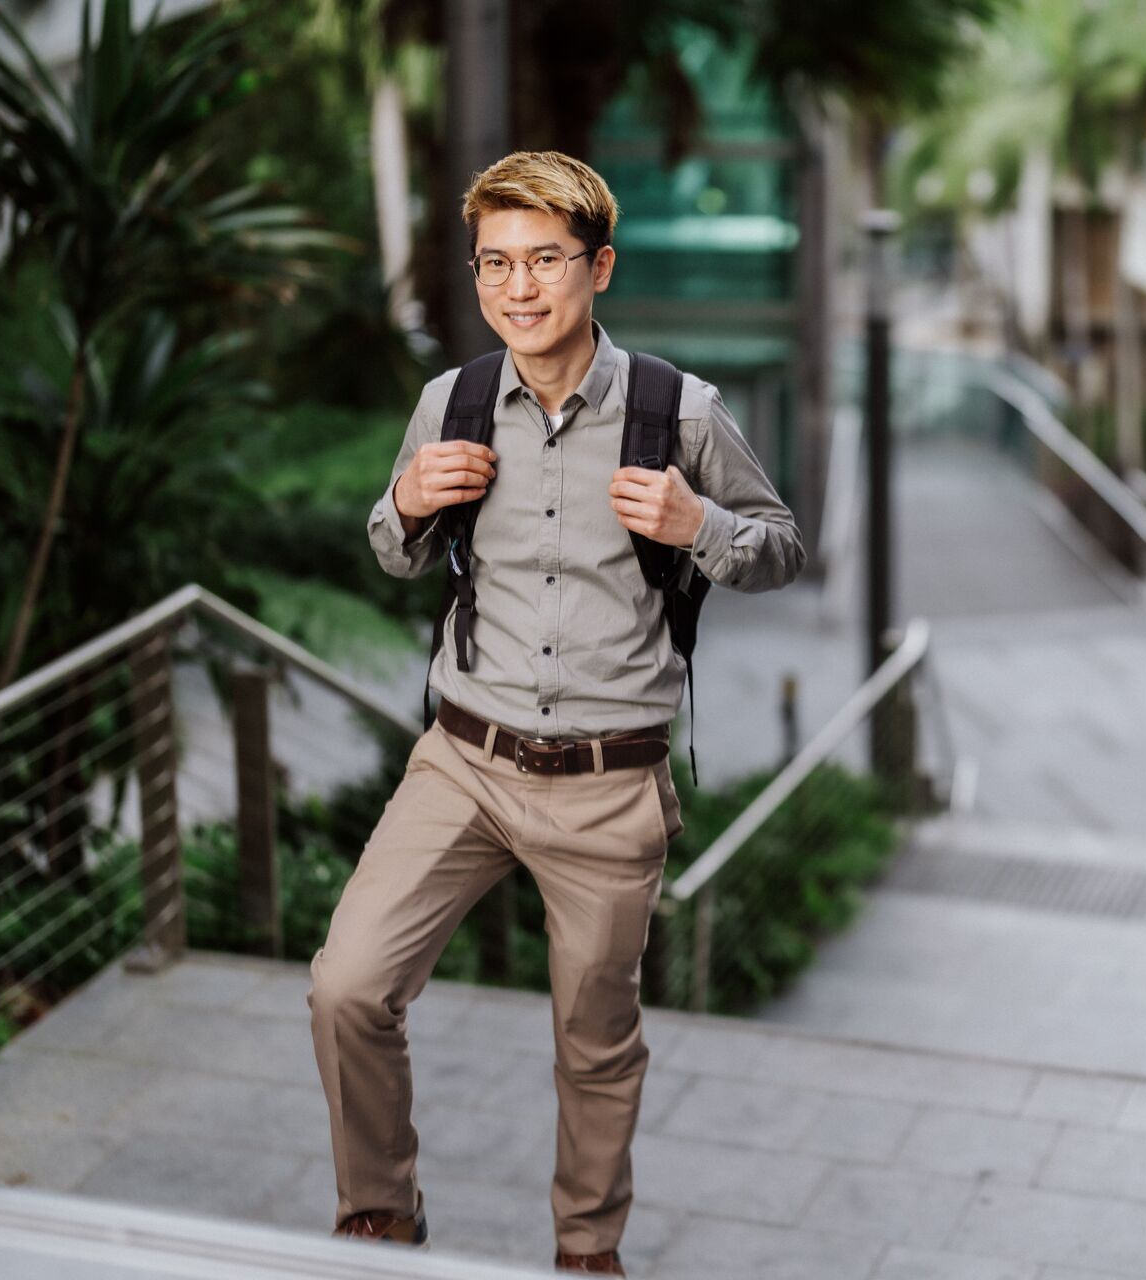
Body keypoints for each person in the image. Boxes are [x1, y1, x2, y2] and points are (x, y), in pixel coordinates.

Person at [306, 150, 805, 1276]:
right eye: (495, 263)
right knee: (347, 983)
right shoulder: (455, 398)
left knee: (593, 1043)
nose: (517, 287)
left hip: (608, 781)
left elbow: (781, 548)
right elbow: (395, 551)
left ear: (600, 266)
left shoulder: (682, 412)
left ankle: (587, 1253)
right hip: (464, 760)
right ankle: (377, 1210)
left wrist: (697, 526)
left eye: (543, 260)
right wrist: (403, 503)